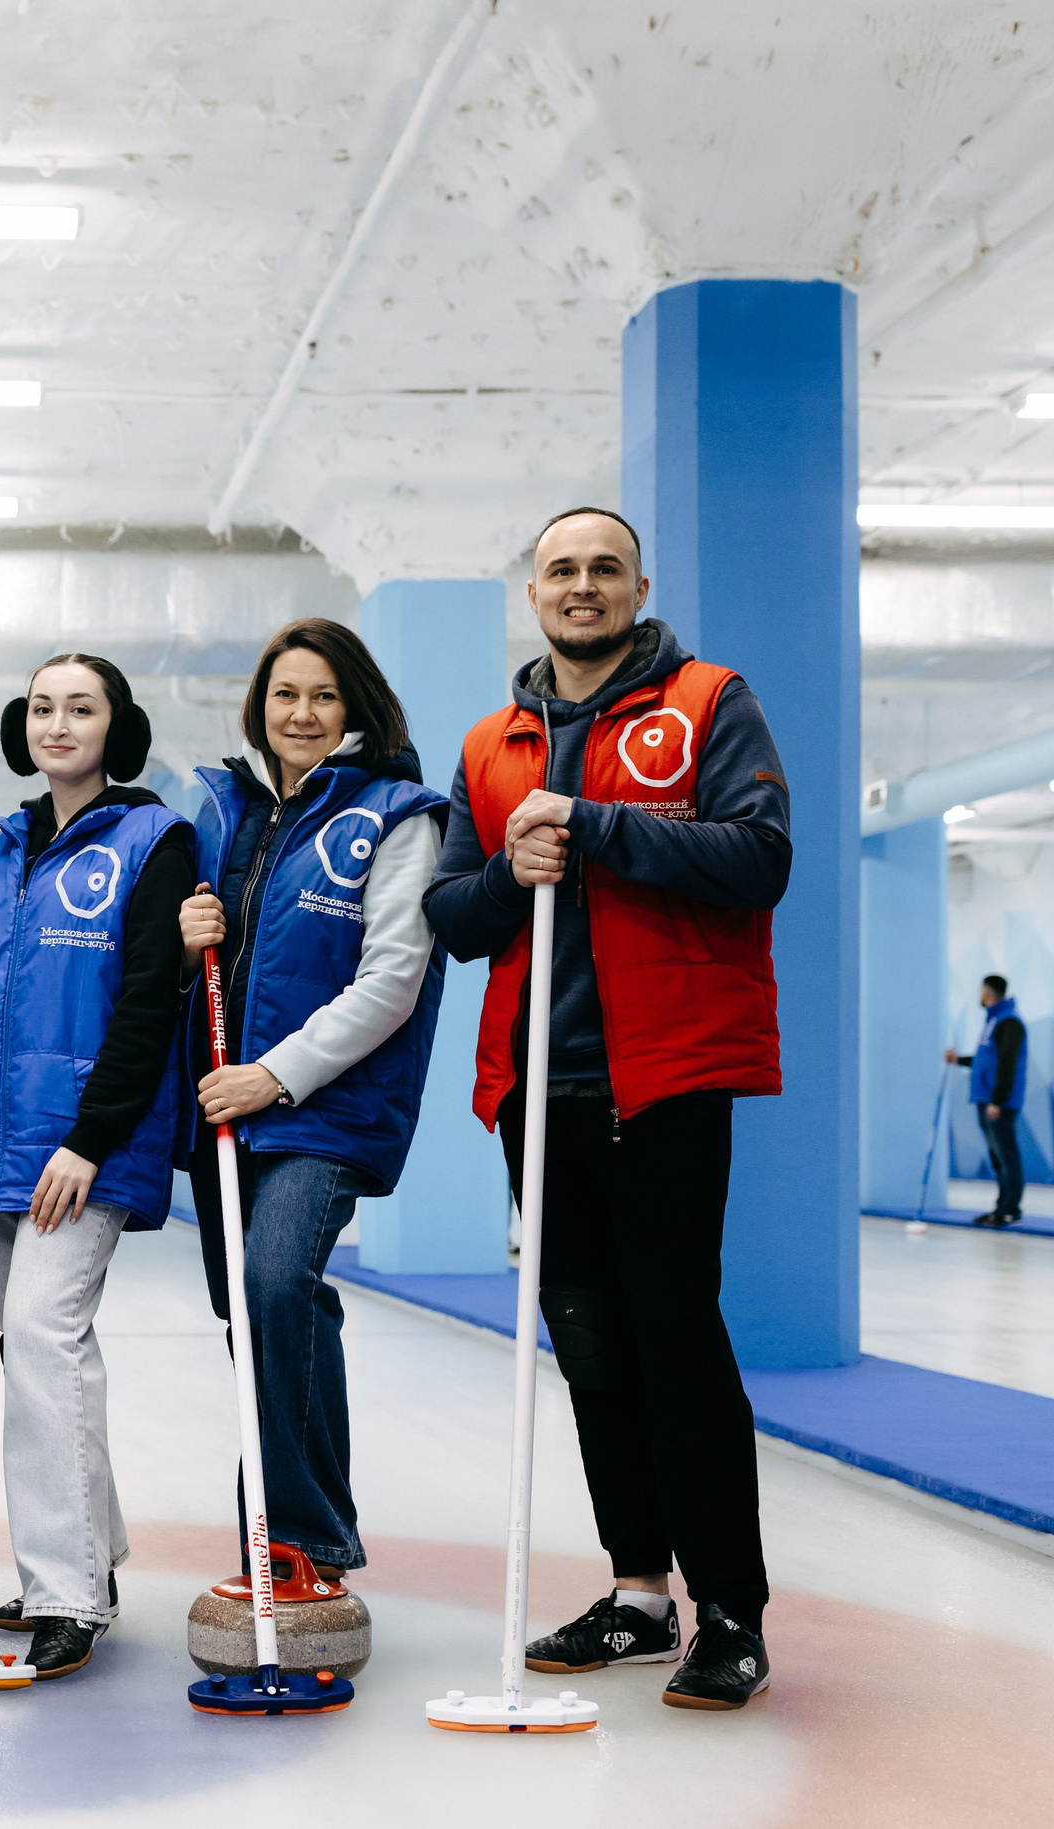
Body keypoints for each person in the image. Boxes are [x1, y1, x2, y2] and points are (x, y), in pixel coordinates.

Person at [425, 506, 789, 1712]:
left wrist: (594, 830)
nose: (581, 587)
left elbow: (758, 859)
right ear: (532, 590)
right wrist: (506, 872)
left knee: (676, 1339)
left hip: (665, 1080)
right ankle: (639, 1593)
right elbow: (454, 918)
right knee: (590, 1349)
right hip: (540, 1090)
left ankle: (729, 1611)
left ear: (637, 583)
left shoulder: (703, 702)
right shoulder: (494, 741)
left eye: (602, 569)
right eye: (559, 570)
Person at [0, 654, 196, 1680]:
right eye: (41, 705)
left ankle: (66, 1589)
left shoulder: (155, 842)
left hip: (84, 1147)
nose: (57, 722)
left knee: (42, 1335)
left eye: (81, 707)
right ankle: (92, 1554)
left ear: (115, 725)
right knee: (35, 1349)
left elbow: (145, 1006)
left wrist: (89, 1138)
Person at [176, 619, 447, 1605]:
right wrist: (183, 932)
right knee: (255, 1315)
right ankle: (288, 1531)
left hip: (318, 1112)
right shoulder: (223, 813)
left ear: (355, 707)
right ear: (260, 707)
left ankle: (297, 1535)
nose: (302, 713)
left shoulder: (396, 816)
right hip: (218, 1113)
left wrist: (275, 1076)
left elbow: (392, 979)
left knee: (278, 1285)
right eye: (285, 694)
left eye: (324, 695)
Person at [948, 976, 1029, 1227]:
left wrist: (998, 1100)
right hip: (986, 1099)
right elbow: (987, 1059)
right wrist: (959, 1060)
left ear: (988, 991)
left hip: (999, 1103)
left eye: (981, 990)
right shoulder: (993, 1021)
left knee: (1007, 1156)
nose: (979, 994)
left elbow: (1007, 1064)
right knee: (998, 1157)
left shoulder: (1009, 1022)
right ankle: (1001, 1207)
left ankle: (1010, 1209)